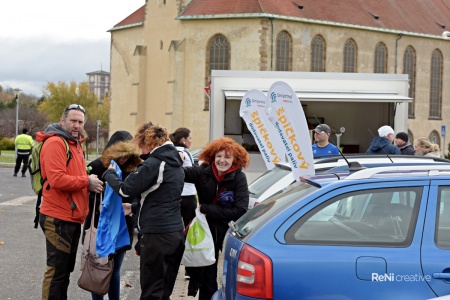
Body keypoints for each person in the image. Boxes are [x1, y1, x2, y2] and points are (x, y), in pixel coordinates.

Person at [103, 124, 185, 300]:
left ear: (148, 142)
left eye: (140, 144)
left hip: (156, 234)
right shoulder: (176, 161)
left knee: (151, 291)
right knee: (164, 290)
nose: (140, 149)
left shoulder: (155, 163)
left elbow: (125, 190)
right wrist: (133, 208)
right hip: (175, 232)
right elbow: (162, 196)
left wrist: (110, 175)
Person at [37, 104, 103, 299]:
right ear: (62, 120)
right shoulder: (56, 143)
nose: (77, 125)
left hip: (71, 217)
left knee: (64, 271)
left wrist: (88, 182)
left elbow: (75, 175)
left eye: (80, 122)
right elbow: (56, 179)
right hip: (57, 218)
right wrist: (86, 181)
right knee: (57, 272)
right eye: (73, 120)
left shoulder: (74, 144)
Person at [183, 137, 250, 300]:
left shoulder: (239, 178)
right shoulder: (202, 171)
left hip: (229, 231)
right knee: (207, 276)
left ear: (235, 159)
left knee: (233, 273)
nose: (222, 160)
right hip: (206, 231)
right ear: (212, 156)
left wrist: (207, 208)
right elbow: (178, 173)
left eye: (227, 157)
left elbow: (240, 210)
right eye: (219, 156)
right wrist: (174, 155)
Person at [83, 131, 141, 300]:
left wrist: (131, 206)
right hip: (97, 226)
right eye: (119, 155)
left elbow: (138, 197)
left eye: (126, 156)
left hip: (121, 228)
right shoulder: (95, 166)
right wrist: (97, 201)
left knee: (114, 270)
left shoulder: (135, 170)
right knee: (97, 268)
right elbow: (83, 192)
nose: (122, 160)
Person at [169, 127, 197, 280]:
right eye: (190, 138)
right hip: (188, 196)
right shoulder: (184, 153)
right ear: (183, 139)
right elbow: (193, 172)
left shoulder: (171, 150)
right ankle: (189, 269)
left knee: (175, 230)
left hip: (175, 195)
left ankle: (172, 263)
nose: (191, 141)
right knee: (190, 232)